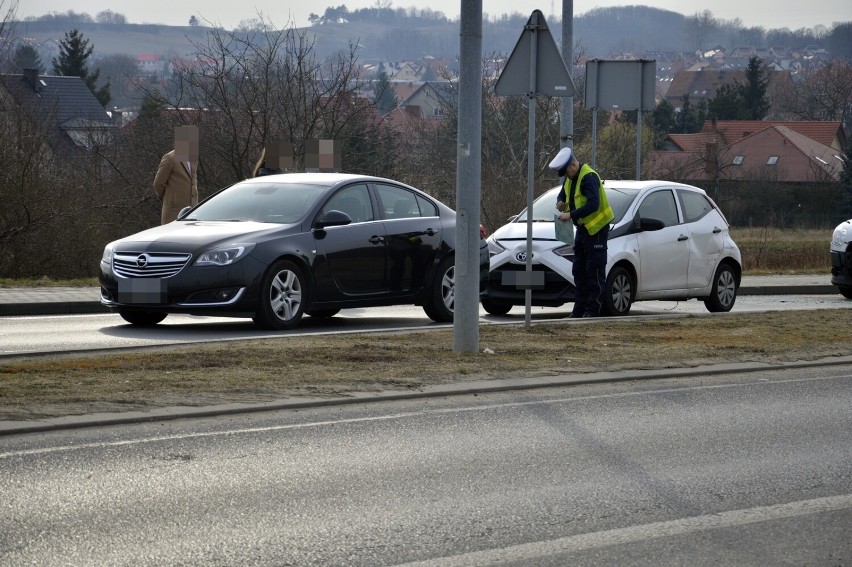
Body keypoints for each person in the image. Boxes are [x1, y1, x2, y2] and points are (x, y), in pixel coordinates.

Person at [549, 147, 615, 318]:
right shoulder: (570, 178)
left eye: (566, 173)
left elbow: (593, 205)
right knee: (579, 271)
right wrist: (560, 203)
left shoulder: (589, 177)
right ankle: (579, 310)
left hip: (597, 230)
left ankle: (593, 311)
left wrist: (569, 214)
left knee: (594, 272)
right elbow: (562, 195)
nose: (566, 177)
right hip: (583, 230)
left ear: (573, 164)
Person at [153, 126, 199, 224]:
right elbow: (158, 184)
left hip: (192, 212)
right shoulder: (169, 158)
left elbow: (193, 183)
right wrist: (168, 198)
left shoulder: (193, 159)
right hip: (173, 213)